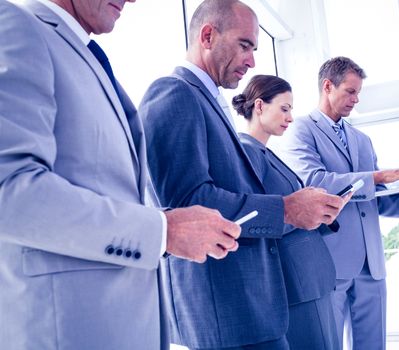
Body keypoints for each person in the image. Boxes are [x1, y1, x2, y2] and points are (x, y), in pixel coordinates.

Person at [0, 1, 241, 349]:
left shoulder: (82, 52)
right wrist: (161, 231)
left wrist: (164, 225)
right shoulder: (16, 27)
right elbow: (11, 193)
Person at [139, 1, 346, 349]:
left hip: (252, 309)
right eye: (245, 45)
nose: (252, 61)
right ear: (208, 35)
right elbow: (188, 208)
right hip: (225, 313)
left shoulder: (208, 101)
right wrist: (286, 209)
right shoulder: (173, 94)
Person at [276, 56, 399, 350]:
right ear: (328, 86)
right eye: (351, 91)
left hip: (372, 262)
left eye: (358, 93)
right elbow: (314, 182)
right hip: (332, 262)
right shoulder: (301, 129)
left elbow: (372, 199)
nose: (356, 100)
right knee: (328, 343)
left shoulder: (362, 139)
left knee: (373, 345)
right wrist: (381, 175)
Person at [233, 74, 345, 350]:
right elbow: (259, 219)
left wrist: (320, 214)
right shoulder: (247, 153)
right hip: (298, 285)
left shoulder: (266, 153)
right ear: (259, 106)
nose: (291, 117)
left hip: (309, 281)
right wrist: (304, 213)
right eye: (284, 109)